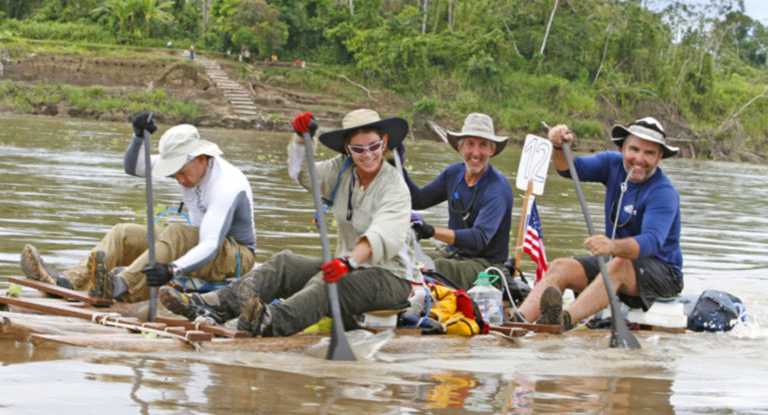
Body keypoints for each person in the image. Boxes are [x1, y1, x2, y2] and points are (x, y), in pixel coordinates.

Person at [158, 109, 422, 337]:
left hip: (391, 279)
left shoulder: (394, 186)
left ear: (384, 142)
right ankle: (216, 304)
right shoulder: (343, 170)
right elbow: (303, 174)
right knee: (284, 263)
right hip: (348, 268)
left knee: (329, 281)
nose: (367, 155)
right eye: (358, 149)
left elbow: (382, 234)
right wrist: (300, 140)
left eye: (374, 146)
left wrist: (347, 262)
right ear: (347, 149)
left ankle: (271, 321)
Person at [20, 113, 257, 302]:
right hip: (193, 244)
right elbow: (135, 167)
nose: (179, 181)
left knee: (175, 232)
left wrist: (172, 271)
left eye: (182, 173)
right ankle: (69, 282)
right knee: (123, 233)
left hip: (234, 257)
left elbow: (209, 243)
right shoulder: (190, 167)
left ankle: (119, 287)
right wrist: (138, 138)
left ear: (200, 158)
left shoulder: (227, 185)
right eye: (174, 175)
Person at [516, 117, 684, 329]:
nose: (639, 159)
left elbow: (652, 242)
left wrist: (612, 246)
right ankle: (517, 322)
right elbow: (568, 169)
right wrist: (559, 147)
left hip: (663, 274)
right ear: (623, 148)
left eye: (649, 153)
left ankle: (563, 320)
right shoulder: (612, 165)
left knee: (619, 263)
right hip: (617, 264)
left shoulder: (663, 192)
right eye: (634, 149)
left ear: (659, 157)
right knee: (560, 267)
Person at [403, 113, 514, 291]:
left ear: (491, 150)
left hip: (486, 268)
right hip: (453, 253)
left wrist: (431, 231)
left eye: (483, 145)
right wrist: (398, 168)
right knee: (403, 259)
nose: (476, 153)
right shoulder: (453, 173)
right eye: (470, 144)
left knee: (431, 268)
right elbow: (418, 200)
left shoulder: (497, 189)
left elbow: (479, 238)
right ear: (460, 147)